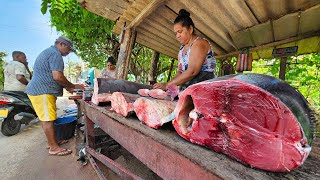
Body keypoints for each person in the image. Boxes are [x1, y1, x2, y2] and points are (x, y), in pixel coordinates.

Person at [26, 37, 84, 156]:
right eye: (68, 49)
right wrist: (72, 86)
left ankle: (52, 142)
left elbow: (52, 76)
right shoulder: (55, 54)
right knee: (48, 120)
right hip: (42, 92)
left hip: (39, 91)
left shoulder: (49, 52)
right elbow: (57, 76)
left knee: (46, 118)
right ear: (61, 44)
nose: (69, 53)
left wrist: (67, 87)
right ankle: (53, 147)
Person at [153, 9, 216, 91]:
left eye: (180, 31)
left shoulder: (199, 43)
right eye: (176, 33)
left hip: (204, 89)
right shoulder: (182, 49)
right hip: (188, 89)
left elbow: (192, 71)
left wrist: (168, 85)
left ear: (190, 29)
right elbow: (180, 71)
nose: (177, 36)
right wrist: (172, 86)